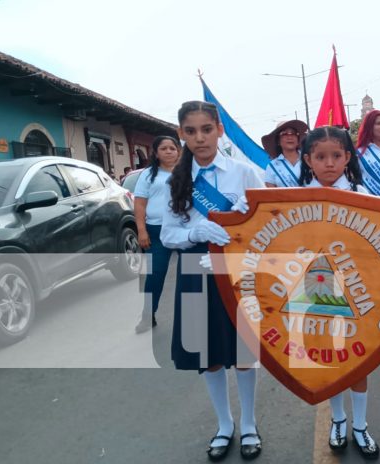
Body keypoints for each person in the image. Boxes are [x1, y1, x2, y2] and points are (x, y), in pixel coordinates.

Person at [161, 101, 265, 461]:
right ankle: (224, 424)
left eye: (206, 129)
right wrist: (194, 231)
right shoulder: (175, 179)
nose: (199, 138)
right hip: (195, 269)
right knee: (209, 356)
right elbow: (167, 236)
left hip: (237, 270)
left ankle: (249, 424)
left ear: (219, 129)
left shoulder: (244, 173)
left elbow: (265, 225)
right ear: (181, 134)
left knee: (244, 352)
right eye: (190, 131)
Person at [298, 126, 380, 460]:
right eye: (320, 157)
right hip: (318, 286)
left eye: (336, 156)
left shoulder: (363, 192)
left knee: (359, 360)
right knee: (326, 356)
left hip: (358, 285)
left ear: (347, 157)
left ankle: (360, 424)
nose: (329, 163)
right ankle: (339, 420)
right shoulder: (297, 197)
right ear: (308, 160)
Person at [134, 135, 181, 333]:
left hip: (184, 230)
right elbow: (140, 203)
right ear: (156, 152)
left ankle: (197, 315)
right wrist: (142, 230)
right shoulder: (148, 175)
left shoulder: (188, 172)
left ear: (178, 151)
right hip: (156, 230)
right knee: (155, 274)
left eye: (173, 148)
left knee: (193, 273)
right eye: (164, 148)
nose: (169, 151)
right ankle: (148, 316)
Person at [261, 120, 309, 187]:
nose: (290, 137)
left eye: (293, 133)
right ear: (278, 141)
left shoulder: (309, 160)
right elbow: (271, 195)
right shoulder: (272, 167)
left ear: (298, 140)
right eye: (284, 134)